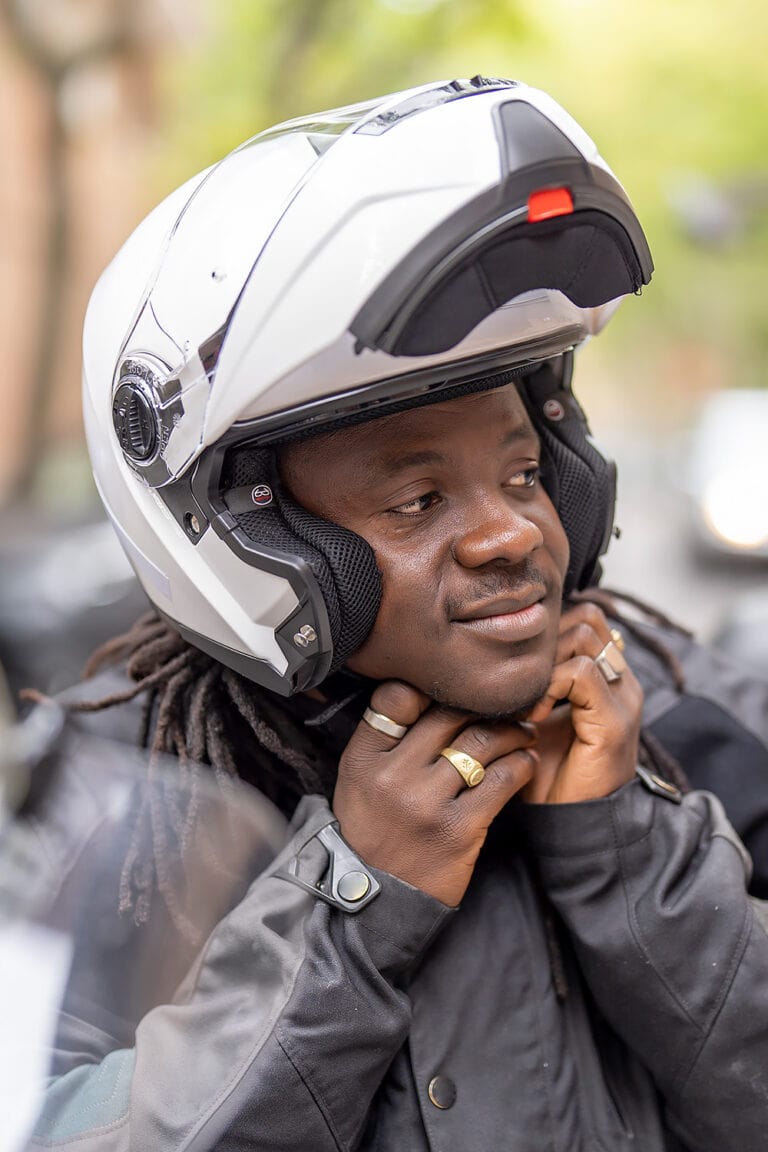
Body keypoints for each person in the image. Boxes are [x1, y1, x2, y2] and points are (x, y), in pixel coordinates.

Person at [20, 78, 768, 1151]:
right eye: (418, 499)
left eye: (521, 473)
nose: (512, 533)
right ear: (249, 534)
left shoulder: (702, 723)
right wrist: (352, 912)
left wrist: (628, 858)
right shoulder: (117, 796)